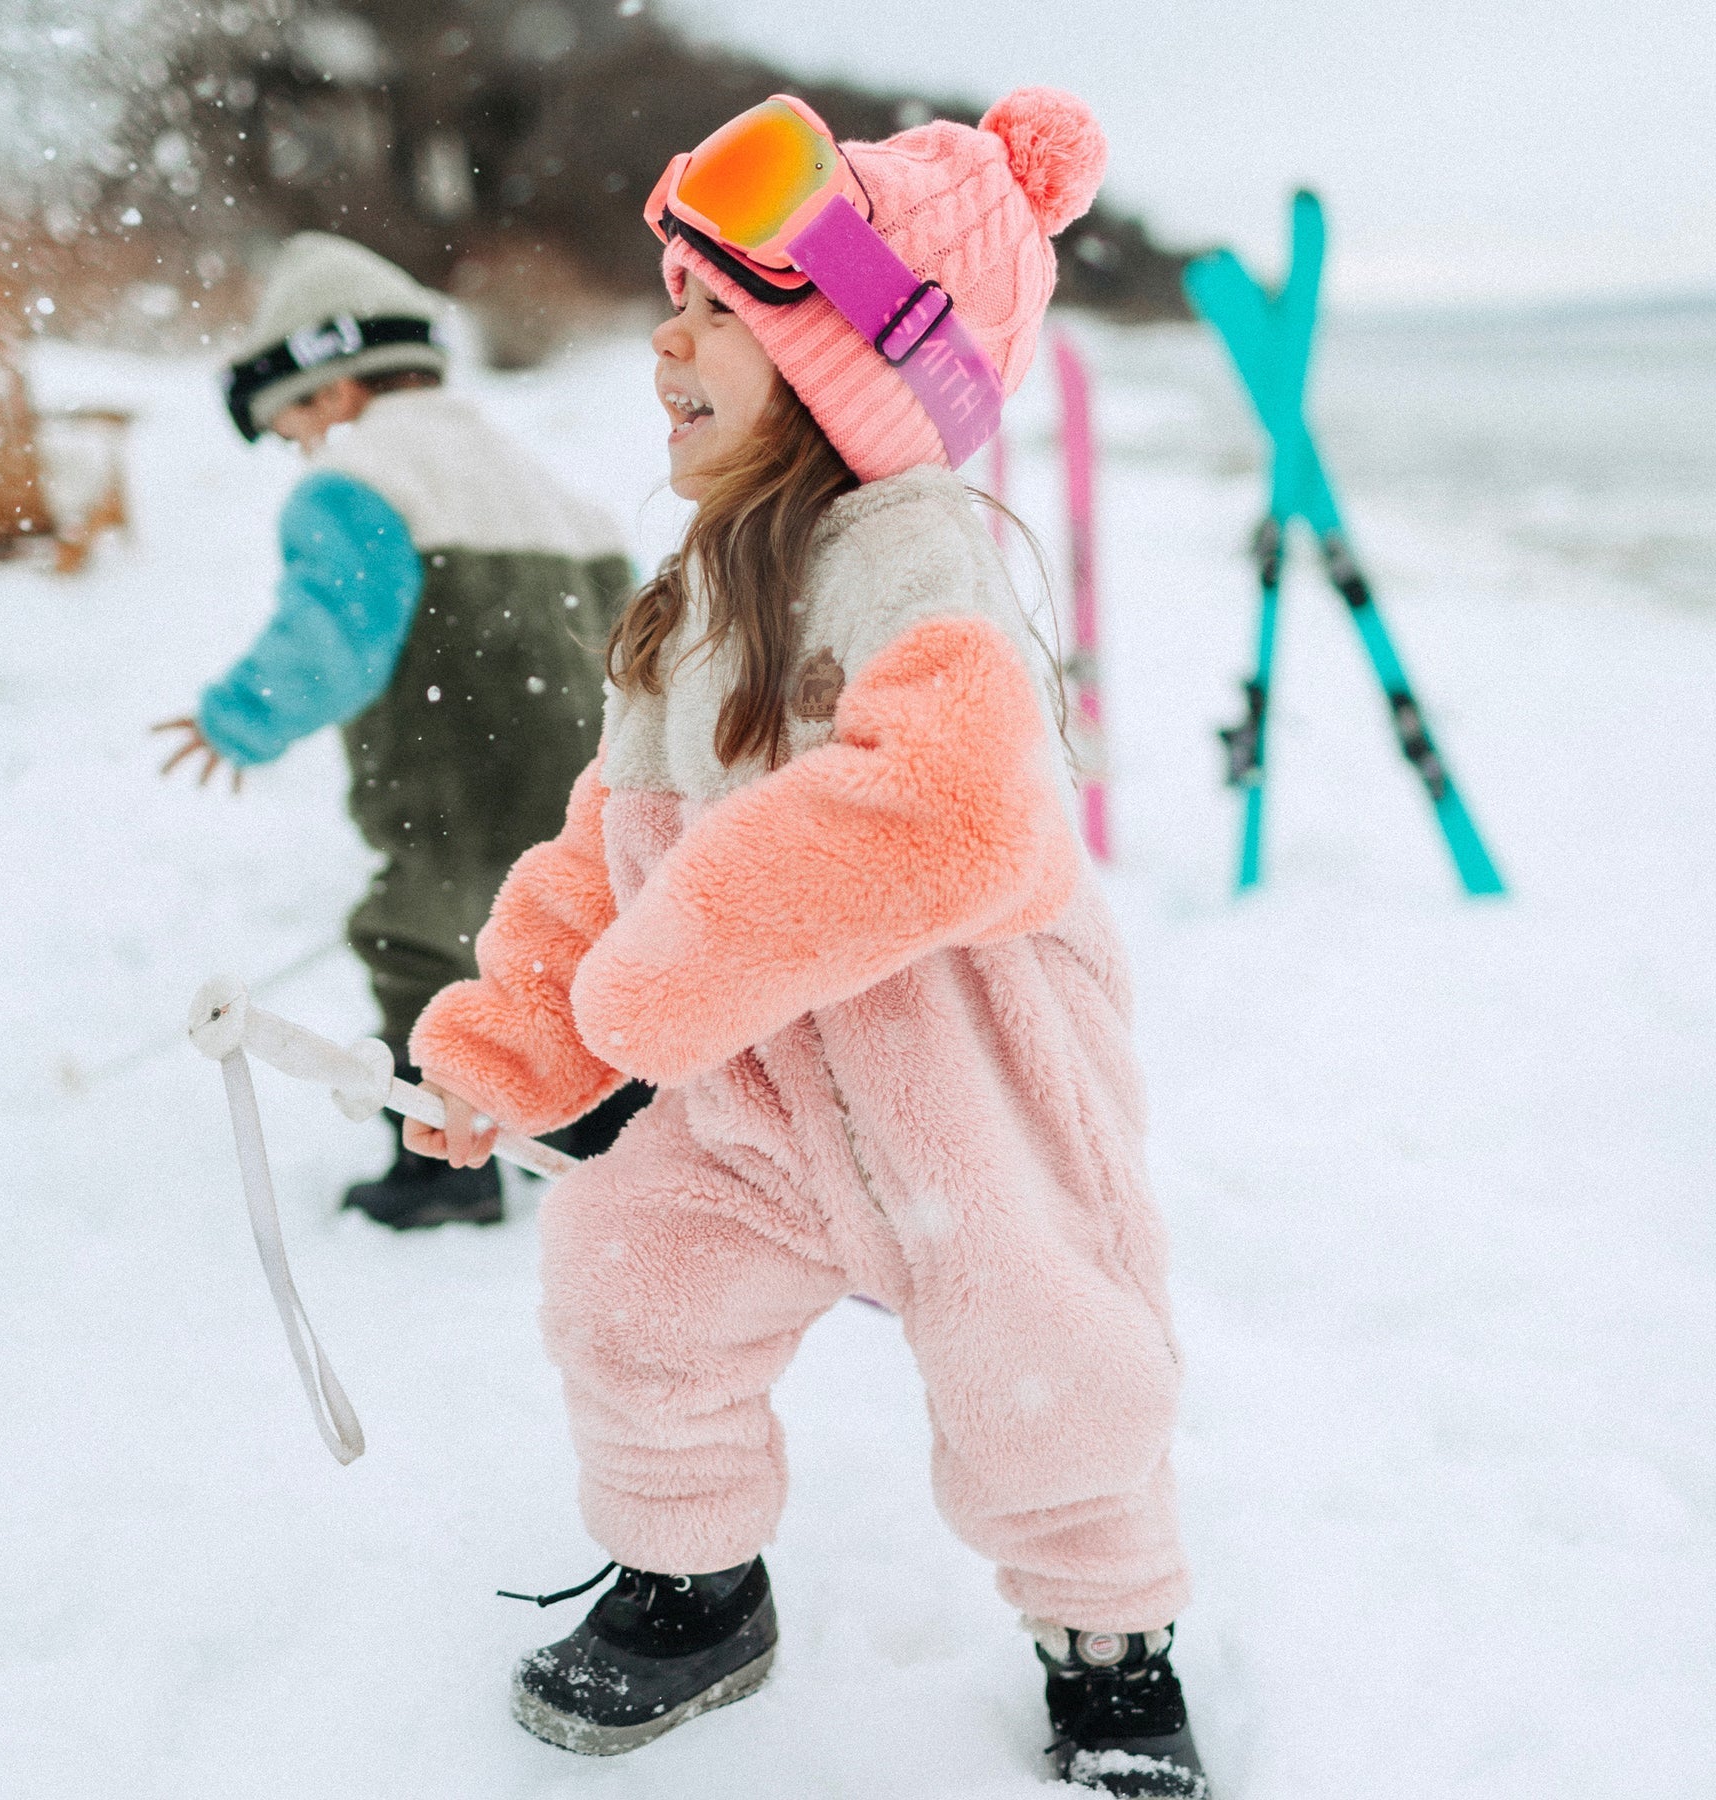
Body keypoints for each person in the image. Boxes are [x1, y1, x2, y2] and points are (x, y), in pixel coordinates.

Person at [404, 93, 1207, 1796]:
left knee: (1047, 1372)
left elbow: (955, 806)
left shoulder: (915, 557)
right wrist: (517, 1039)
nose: (665, 342)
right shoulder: (692, 598)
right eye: (674, 302)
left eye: (718, 312)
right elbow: (607, 842)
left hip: (968, 1079)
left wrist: (660, 980)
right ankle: (694, 1584)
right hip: (757, 1087)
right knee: (633, 1283)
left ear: (857, 362)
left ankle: (1109, 1641)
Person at [157, 233, 649, 1230]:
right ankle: (609, 1134)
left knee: (422, 943)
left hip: (457, 788)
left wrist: (241, 717)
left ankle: (441, 1170)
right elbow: (637, 647)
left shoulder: (363, 478)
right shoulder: (553, 491)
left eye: (296, 424)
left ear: (338, 388)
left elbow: (335, 633)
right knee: (576, 952)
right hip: (587, 792)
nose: (304, 447)